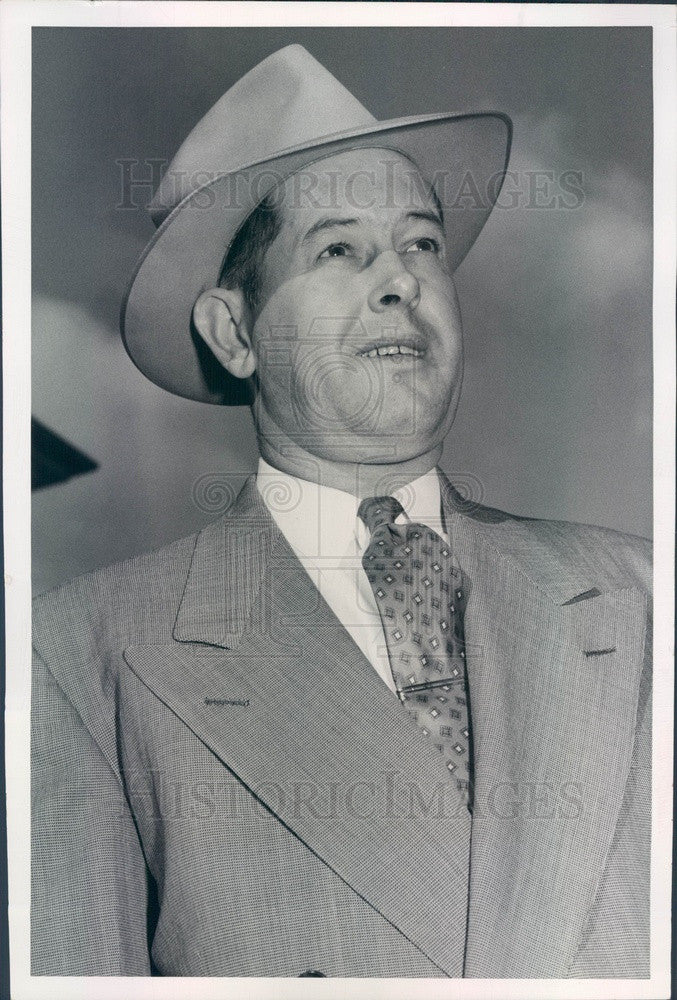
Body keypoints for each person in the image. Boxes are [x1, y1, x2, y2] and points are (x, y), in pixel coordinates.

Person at [31, 45, 651, 978]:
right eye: (338, 249)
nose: (401, 279)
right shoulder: (83, 656)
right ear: (234, 332)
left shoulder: (644, 597)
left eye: (421, 244)